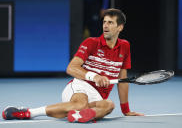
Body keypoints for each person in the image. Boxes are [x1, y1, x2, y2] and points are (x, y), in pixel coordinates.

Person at [2, 8, 144, 123]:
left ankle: (78, 116)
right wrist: (94, 76)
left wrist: (126, 110)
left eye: (110, 23)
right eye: (104, 22)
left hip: (98, 95)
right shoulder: (91, 43)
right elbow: (71, 68)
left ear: (120, 27)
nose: (105, 26)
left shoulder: (125, 46)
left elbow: (123, 79)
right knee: (80, 104)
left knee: (109, 105)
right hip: (80, 85)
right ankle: (28, 112)